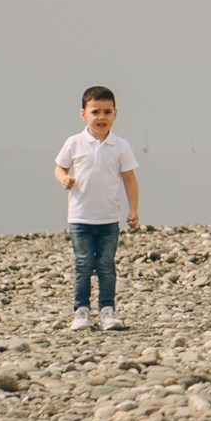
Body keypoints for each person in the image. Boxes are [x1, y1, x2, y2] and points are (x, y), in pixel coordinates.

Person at [54, 85, 140, 332]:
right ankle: (81, 311)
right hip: (80, 218)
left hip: (108, 219)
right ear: (83, 114)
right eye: (95, 112)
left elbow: (129, 179)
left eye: (107, 111)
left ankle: (107, 310)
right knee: (83, 264)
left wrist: (133, 210)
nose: (101, 117)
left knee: (105, 264)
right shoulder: (74, 143)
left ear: (115, 114)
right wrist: (63, 179)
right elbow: (59, 167)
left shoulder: (120, 146)